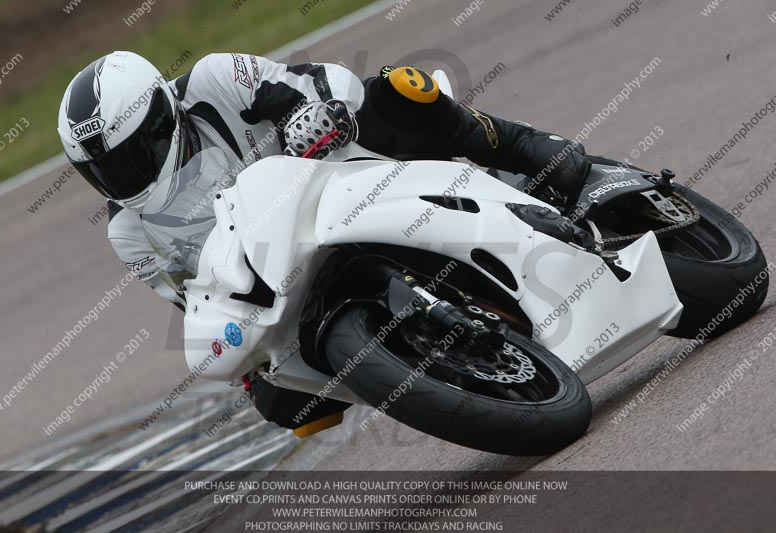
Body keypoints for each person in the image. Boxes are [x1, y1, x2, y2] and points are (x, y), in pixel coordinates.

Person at [57, 51, 590, 434]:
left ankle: (523, 145)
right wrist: (243, 362)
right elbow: (194, 297)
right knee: (282, 404)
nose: (121, 177)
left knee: (400, 90)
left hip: (339, 174)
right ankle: (420, 357)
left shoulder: (212, 80)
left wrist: (315, 115)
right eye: (102, 170)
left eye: (129, 157)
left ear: (159, 120)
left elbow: (313, 80)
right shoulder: (129, 232)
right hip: (285, 271)